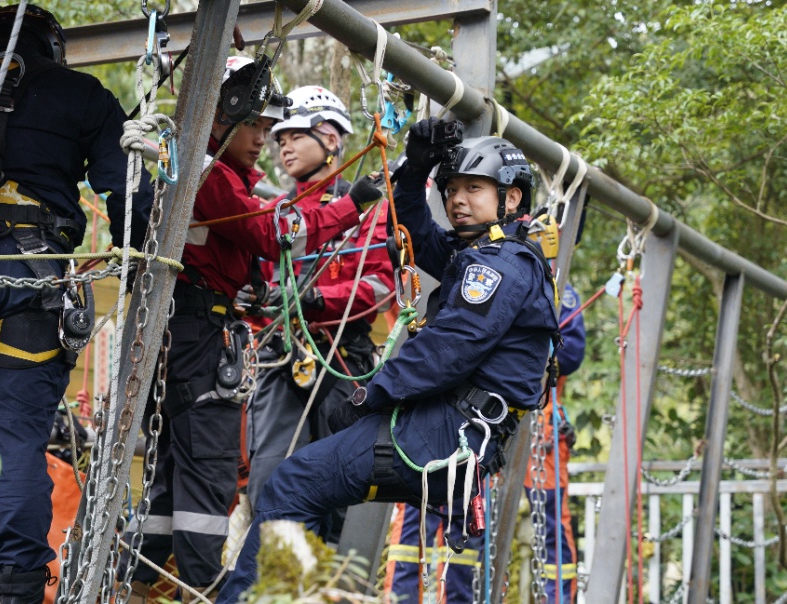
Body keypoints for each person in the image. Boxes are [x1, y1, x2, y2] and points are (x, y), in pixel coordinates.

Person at [217, 119, 560, 603]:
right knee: (300, 487)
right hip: (447, 428)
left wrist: (369, 395)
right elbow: (412, 230)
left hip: (443, 431)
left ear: (511, 198)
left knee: (293, 485)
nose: (459, 199)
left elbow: (449, 349)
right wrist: (415, 169)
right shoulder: (486, 253)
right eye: (453, 189)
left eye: (475, 189)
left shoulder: (495, 266)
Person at [119, 63, 379, 602]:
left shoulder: (243, 187)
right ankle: (199, 585)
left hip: (328, 358)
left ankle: (147, 582)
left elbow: (374, 285)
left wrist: (272, 291)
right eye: (262, 128)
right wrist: (349, 208)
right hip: (234, 347)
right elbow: (269, 234)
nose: (270, 142)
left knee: (198, 471)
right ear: (224, 117)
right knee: (225, 474)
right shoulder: (215, 176)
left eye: (282, 132)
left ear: (330, 140)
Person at [0, 5, 154, 602]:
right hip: (33, 280)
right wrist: (138, 253)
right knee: (17, 446)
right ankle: (17, 592)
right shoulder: (82, 94)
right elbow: (128, 191)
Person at [237, 86, 393, 542]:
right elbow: (257, 282)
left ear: (329, 137)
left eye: (294, 136)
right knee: (269, 476)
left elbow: (381, 284)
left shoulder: (368, 210)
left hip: (342, 361)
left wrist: (321, 300)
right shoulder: (277, 211)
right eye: (278, 138)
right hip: (282, 361)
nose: (282, 146)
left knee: (340, 483)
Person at [385, 284, 587, 603]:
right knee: (427, 514)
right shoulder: (445, 273)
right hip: (458, 410)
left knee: (546, 523)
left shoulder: (557, 288)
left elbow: (571, 352)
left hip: (533, 419)